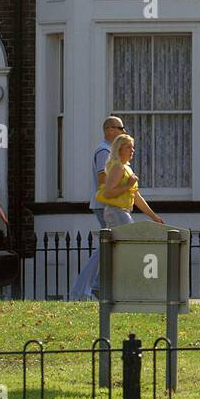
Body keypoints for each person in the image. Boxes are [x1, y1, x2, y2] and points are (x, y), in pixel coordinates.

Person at [70, 115, 125, 301]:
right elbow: (103, 180)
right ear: (109, 129)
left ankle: (96, 286)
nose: (123, 132)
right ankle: (81, 290)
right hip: (105, 206)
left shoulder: (110, 151)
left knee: (109, 245)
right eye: (120, 128)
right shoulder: (104, 151)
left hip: (107, 205)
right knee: (105, 246)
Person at [96, 131, 166, 228]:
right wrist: (128, 186)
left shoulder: (126, 168)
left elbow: (136, 197)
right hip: (116, 211)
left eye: (132, 147)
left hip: (122, 211)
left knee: (126, 241)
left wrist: (154, 217)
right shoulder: (118, 168)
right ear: (119, 149)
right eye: (128, 147)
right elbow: (108, 193)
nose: (132, 150)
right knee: (130, 239)